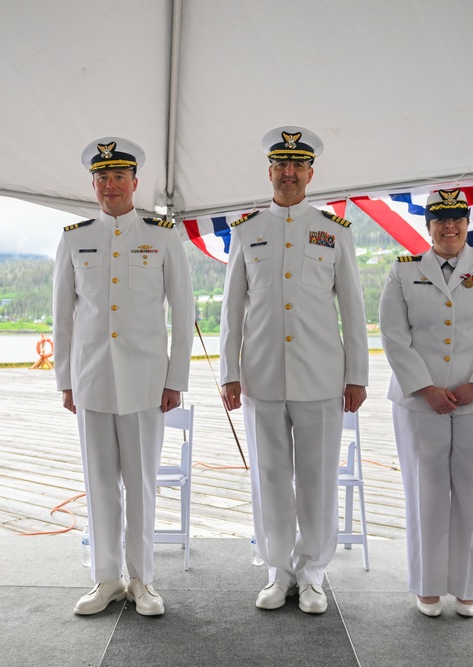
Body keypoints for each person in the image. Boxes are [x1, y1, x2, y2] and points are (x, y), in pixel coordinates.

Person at [220, 126, 369, 614]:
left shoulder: (335, 232)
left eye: (297, 165)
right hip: (261, 375)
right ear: (270, 172)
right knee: (269, 477)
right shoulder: (246, 232)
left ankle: (312, 574)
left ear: (310, 171)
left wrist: (357, 375)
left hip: (322, 377)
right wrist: (229, 371)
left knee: (317, 479)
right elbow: (231, 309)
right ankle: (277, 570)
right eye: (281, 165)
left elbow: (352, 308)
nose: (289, 173)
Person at [52, 137, 194, 616]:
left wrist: (176, 378)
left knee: (142, 484)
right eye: (102, 177)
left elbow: (183, 308)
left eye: (119, 177)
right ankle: (106, 578)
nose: (110, 185)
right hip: (92, 380)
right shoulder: (74, 238)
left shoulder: (161, 235)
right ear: (93, 184)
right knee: (98, 484)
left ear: (135, 183)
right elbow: (63, 317)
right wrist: (65, 381)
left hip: (146, 383)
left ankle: (142, 580)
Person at [379, 188, 473, 618]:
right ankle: (427, 587)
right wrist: (424, 387)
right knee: (424, 493)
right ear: (428, 226)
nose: (449, 226)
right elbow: (393, 334)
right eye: (440, 218)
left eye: (457, 218)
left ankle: (467, 588)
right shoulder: (403, 271)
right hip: (419, 402)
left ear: (467, 223)